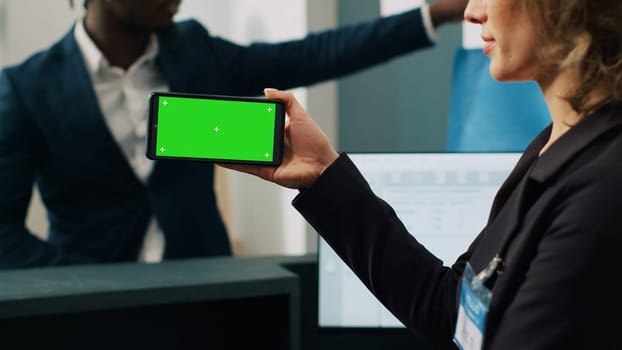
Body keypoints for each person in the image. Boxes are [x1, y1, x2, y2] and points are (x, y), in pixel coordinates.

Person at [224, 0, 622, 348]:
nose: (471, 11)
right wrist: (322, 174)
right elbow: (452, 313)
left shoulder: (604, 187)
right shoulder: (552, 146)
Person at [0, 0, 468, 268]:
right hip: (94, 308)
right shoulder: (25, 88)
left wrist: (434, 14)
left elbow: (315, 53)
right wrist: (81, 282)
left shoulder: (197, 51)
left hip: (207, 286)